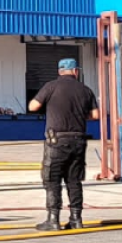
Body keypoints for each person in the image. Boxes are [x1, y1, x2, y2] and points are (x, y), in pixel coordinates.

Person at [28, 58, 98, 231]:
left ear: (60, 71)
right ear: (75, 71)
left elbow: (33, 106)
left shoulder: (50, 87)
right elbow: (95, 115)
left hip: (56, 141)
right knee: (74, 180)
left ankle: (53, 219)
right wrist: (79, 116)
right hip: (78, 140)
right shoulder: (86, 90)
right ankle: (76, 219)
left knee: (52, 179)